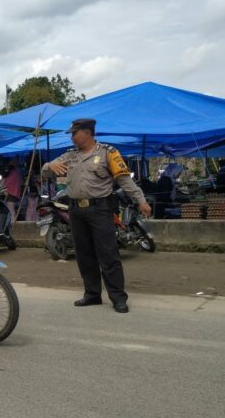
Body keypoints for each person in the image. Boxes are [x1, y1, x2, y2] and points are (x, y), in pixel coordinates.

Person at [42, 118, 152, 313]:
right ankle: (92, 294)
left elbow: (124, 180)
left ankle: (118, 297)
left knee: (108, 254)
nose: (72, 138)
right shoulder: (70, 155)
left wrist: (140, 200)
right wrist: (50, 165)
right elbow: (46, 171)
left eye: (74, 133)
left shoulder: (108, 153)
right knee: (84, 255)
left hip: (100, 209)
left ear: (86, 132)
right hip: (76, 210)